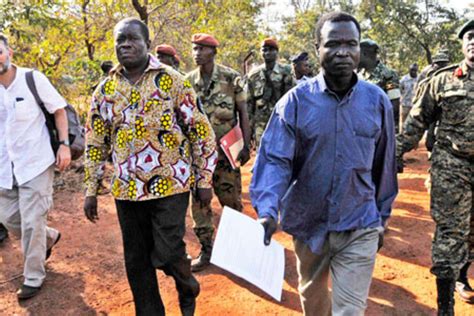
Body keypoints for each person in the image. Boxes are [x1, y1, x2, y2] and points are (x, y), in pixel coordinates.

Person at [250, 12, 397, 315]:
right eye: (333, 44)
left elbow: (384, 163)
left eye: (351, 44)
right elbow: (275, 160)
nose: (343, 52)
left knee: (348, 311)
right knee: (314, 304)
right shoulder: (295, 103)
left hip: (359, 222)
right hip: (309, 224)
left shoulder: (378, 101)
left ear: (359, 49)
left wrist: (381, 218)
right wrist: (267, 210)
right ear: (317, 47)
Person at [83, 18, 217, 315]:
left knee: (168, 252)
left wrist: (204, 179)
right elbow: (95, 142)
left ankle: (187, 286)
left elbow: (200, 131)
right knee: (137, 261)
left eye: (132, 39)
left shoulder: (172, 80)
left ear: (146, 43)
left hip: (170, 182)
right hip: (125, 190)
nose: (125, 45)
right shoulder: (104, 90)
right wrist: (90, 189)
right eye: (120, 40)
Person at [397, 19, 474, 314]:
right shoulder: (443, 80)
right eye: (469, 36)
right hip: (451, 165)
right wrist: (398, 151)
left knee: (471, 232)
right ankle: (445, 306)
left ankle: (462, 277)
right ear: (462, 43)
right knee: (450, 231)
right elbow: (418, 119)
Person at [0, 33, 71, 299]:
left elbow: (59, 110)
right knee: (8, 218)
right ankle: (48, 236)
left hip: (35, 162)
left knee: (31, 222)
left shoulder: (32, 79)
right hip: (5, 167)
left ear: (10, 53)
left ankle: (33, 276)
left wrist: (64, 144)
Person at [186, 33, 251, 272]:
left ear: (213, 52)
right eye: (194, 49)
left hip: (226, 155)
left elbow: (243, 112)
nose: (197, 53)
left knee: (231, 202)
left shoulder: (231, 78)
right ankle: (207, 250)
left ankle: (239, 250)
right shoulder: (187, 81)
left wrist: (244, 144)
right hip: (198, 157)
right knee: (200, 205)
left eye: (202, 49)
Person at [246, 38, 294, 147]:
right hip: (261, 124)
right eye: (264, 50)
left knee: (281, 154)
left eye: (271, 50)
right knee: (261, 154)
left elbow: (292, 99)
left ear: (276, 52)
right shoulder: (254, 75)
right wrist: (249, 130)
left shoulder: (286, 71)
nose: (267, 53)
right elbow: (249, 104)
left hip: (281, 121)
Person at [358, 39, 401, 133]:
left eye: (357, 53)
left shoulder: (388, 75)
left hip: (380, 128)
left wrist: (384, 128)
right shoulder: (359, 75)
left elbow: (394, 104)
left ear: (364, 54)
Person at [399, 63, 418, 131]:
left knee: (413, 123)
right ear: (409, 70)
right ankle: (401, 135)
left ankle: (410, 138)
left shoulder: (419, 80)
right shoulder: (404, 79)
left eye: (415, 70)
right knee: (403, 122)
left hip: (415, 105)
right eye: (412, 70)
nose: (413, 72)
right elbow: (400, 90)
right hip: (405, 104)